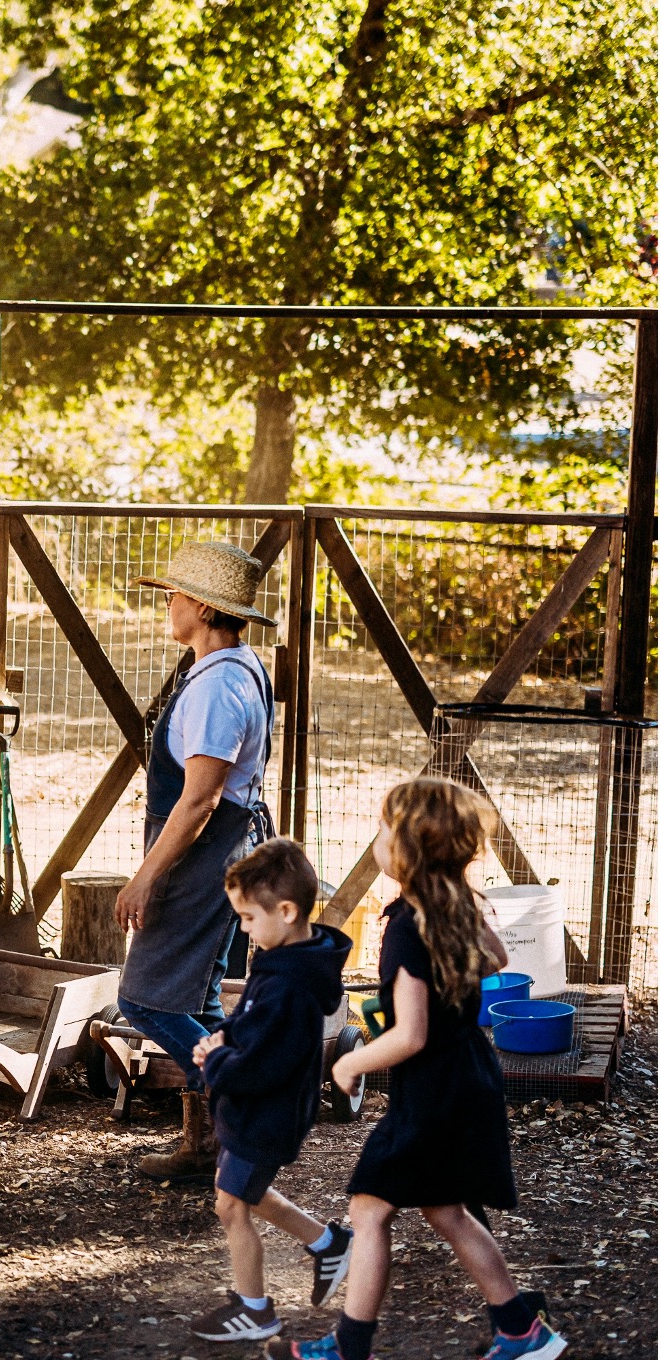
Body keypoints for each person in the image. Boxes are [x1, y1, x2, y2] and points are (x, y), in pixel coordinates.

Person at [269, 778, 564, 1360]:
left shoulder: (407, 927)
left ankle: (351, 1348)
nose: (376, 838)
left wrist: (349, 1061)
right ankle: (521, 1331)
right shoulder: (454, 903)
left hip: (432, 1091)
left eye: (382, 829)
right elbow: (500, 958)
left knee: (369, 1208)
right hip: (468, 1076)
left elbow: (410, 1033)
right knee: (445, 1210)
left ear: (407, 847)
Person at [114, 541, 278, 1181]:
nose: (170, 603)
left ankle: (243, 1098)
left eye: (177, 595)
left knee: (145, 1001)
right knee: (203, 998)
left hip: (202, 854)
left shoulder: (219, 689)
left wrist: (144, 878)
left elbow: (201, 798)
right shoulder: (230, 668)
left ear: (205, 609)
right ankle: (207, 1144)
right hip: (217, 849)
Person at [185, 838, 354, 1344]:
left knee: (231, 1204)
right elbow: (253, 1027)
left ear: (286, 910)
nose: (243, 929)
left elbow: (265, 1063)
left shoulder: (291, 985)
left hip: (267, 1113)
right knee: (245, 1194)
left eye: (249, 918)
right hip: (257, 1111)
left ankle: (256, 1311)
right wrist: (225, 1040)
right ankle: (327, 1244)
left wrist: (217, 1060)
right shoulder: (284, 961)